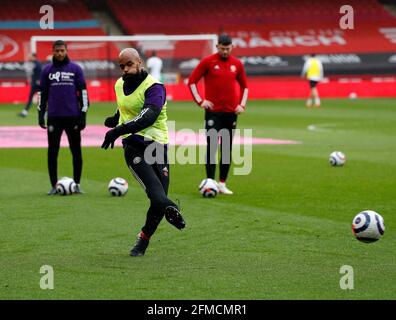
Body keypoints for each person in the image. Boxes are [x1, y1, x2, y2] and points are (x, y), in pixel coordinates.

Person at [101, 48, 185, 257]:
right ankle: (172, 208)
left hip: (157, 145)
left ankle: (144, 238)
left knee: (158, 202)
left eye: (129, 64)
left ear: (139, 62)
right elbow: (125, 107)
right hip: (133, 146)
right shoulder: (119, 84)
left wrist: (116, 130)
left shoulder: (155, 88)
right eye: (121, 66)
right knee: (156, 193)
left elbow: (147, 117)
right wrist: (114, 118)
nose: (125, 69)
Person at [187, 34, 248, 195]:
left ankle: (222, 183)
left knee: (226, 149)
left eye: (228, 48)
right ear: (217, 47)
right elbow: (192, 81)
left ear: (232, 47)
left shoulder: (237, 64)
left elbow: (245, 86)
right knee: (212, 147)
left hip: (230, 113)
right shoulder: (208, 62)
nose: (225, 51)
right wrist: (201, 101)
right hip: (213, 113)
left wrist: (242, 105)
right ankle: (210, 181)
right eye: (222, 48)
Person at [38, 40, 89, 195]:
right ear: (53, 51)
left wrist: (83, 116)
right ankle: (54, 185)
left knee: (76, 152)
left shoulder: (76, 69)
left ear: (67, 51)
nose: (60, 53)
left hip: (73, 117)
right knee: (53, 152)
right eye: (57, 51)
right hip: (54, 117)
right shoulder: (47, 70)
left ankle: (78, 183)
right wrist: (41, 114)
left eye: (62, 50)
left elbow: (84, 93)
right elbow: (43, 94)